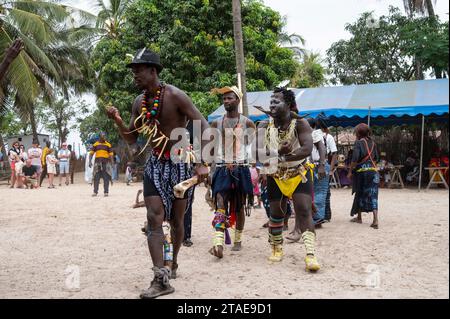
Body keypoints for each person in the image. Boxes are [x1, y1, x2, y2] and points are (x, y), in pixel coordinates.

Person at [106, 48, 209, 298]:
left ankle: (172, 261)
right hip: (155, 165)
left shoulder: (175, 96)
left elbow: (202, 124)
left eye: (138, 70)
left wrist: (202, 162)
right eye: (133, 71)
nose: (135, 76)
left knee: (176, 221)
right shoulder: (139, 103)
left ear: (153, 71)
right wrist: (119, 120)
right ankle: (160, 278)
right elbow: (132, 138)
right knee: (154, 217)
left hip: (181, 163)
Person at [257, 87, 320, 271]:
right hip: (275, 174)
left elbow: (307, 149)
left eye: (277, 100)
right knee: (276, 213)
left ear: (289, 105)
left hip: (298, 172)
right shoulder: (263, 125)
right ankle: (277, 248)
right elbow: (257, 153)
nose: (272, 103)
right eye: (271, 100)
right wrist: (278, 153)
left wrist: (282, 157)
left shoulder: (301, 123)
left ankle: (310, 254)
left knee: (303, 210)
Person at [209, 85, 255, 258]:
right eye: (224, 99)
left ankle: (237, 240)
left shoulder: (247, 123)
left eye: (230, 98)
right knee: (220, 203)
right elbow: (212, 149)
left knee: (239, 206)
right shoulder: (216, 122)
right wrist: (210, 169)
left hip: (241, 168)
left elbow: (251, 147)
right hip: (221, 168)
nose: (226, 101)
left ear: (238, 100)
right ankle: (218, 243)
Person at [348, 123, 379, 229]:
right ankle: (375, 219)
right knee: (373, 195)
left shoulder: (358, 143)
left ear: (359, 133)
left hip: (362, 172)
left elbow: (355, 159)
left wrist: (350, 171)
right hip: (373, 172)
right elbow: (376, 158)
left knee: (359, 192)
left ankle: (359, 218)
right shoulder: (373, 143)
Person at [304, 118, 328, 227]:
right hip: (311, 167)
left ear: (312, 126)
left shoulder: (315, 133)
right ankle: (315, 218)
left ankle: (317, 218)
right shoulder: (305, 134)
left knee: (319, 192)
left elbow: (322, 148)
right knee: (310, 193)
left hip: (318, 165)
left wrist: (322, 166)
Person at [317, 118, 337, 222]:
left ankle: (326, 215)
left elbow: (334, 154)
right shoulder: (315, 136)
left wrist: (330, 170)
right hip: (318, 165)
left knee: (324, 191)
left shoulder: (328, 137)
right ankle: (322, 215)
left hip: (324, 165)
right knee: (322, 191)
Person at [88, 133, 113, 197]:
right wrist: (90, 161)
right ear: (100, 137)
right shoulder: (95, 144)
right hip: (97, 163)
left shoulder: (108, 145)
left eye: (105, 135)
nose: (105, 136)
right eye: (103, 135)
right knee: (96, 178)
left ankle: (106, 192)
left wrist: (112, 163)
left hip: (106, 163)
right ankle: (95, 192)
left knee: (106, 178)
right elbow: (91, 153)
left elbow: (111, 155)